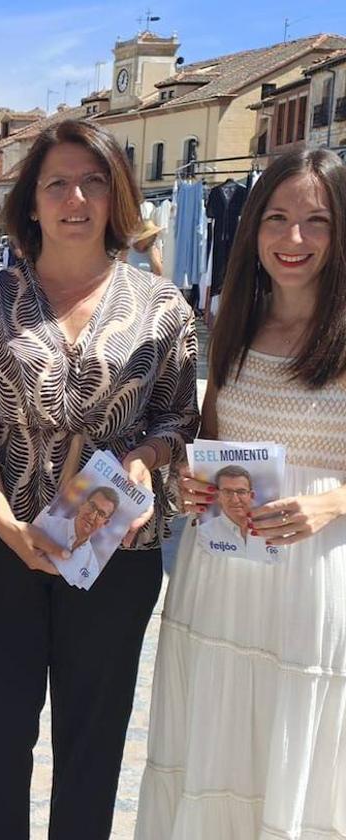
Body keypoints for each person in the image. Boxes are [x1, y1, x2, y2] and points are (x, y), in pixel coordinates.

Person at [0, 117, 199, 839]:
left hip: (116, 550)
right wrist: (8, 526)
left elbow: (178, 419)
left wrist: (145, 461)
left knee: (93, 738)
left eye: (94, 182)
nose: (76, 199)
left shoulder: (162, 308)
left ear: (116, 196)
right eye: (57, 183)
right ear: (32, 202)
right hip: (5, 546)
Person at [137, 148, 346, 839]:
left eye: (316, 222)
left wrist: (332, 501)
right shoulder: (231, 323)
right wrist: (196, 482)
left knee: (297, 767)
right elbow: (215, 442)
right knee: (215, 758)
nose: (293, 240)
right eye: (277, 219)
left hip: (313, 584)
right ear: (252, 228)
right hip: (223, 576)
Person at [36, 485, 119, 584]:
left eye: (101, 514)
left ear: (105, 523)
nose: (92, 516)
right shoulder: (45, 524)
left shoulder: (92, 566)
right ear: (82, 504)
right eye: (92, 506)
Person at [192, 464, 277, 559]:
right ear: (217, 496)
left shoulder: (269, 533)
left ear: (252, 496)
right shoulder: (205, 532)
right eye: (227, 492)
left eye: (241, 492)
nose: (235, 500)